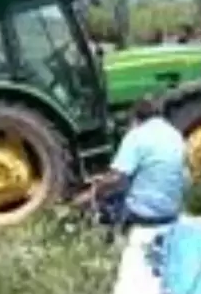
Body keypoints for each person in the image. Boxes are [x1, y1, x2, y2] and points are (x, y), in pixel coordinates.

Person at [73, 96, 189, 230]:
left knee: (104, 200)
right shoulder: (175, 134)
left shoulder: (136, 135)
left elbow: (116, 178)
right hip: (172, 211)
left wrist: (92, 191)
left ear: (135, 118)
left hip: (143, 214)